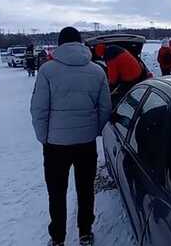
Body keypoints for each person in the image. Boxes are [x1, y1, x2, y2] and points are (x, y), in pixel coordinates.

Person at [30, 27, 112, 246]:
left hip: (56, 145)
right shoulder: (97, 71)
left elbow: (38, 109)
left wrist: (44, 137)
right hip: (86, 143)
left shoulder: (47, 70)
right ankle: (85, 233)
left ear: (60, 44)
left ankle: (57, 239)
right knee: (85, 189)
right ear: (80, 44)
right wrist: (93, 130)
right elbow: (105, 107)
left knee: (56, 192)